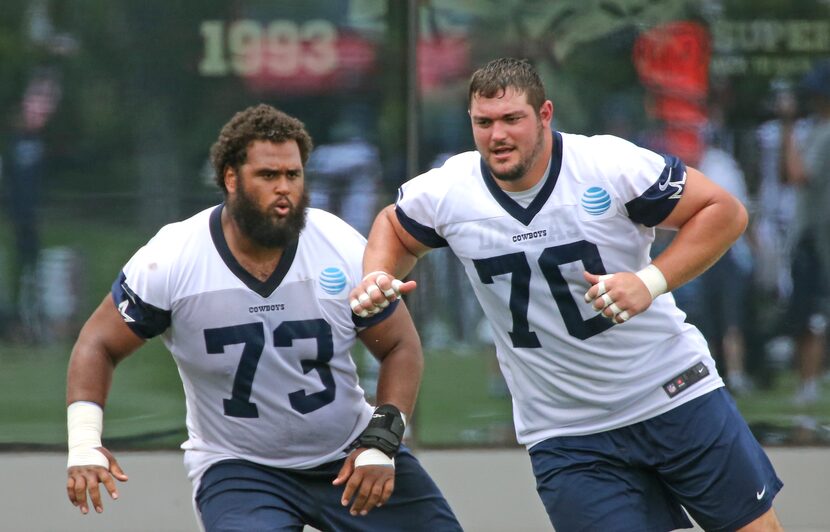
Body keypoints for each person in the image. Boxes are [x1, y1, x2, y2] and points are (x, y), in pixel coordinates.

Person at [350, 58, 783, 531]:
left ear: (544, 114)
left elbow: (724, 210)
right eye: (484, 123)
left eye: (512, 119)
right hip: (568, 432)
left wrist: (650, 281)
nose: (497, 136)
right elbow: (394, 224)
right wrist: (376, 274)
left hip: (672, 393)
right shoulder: (451, 189)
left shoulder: (607, 164)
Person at [65, 104, 461, 531]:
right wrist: (85, 440)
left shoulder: (338, 245)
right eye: (268, 176)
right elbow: (98, 343)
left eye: (293, 175)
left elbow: (400, 345)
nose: (284, 189)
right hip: (242, 470)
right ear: (231, 179)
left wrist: (381, 441)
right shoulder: (174, 257)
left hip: (350, 451)